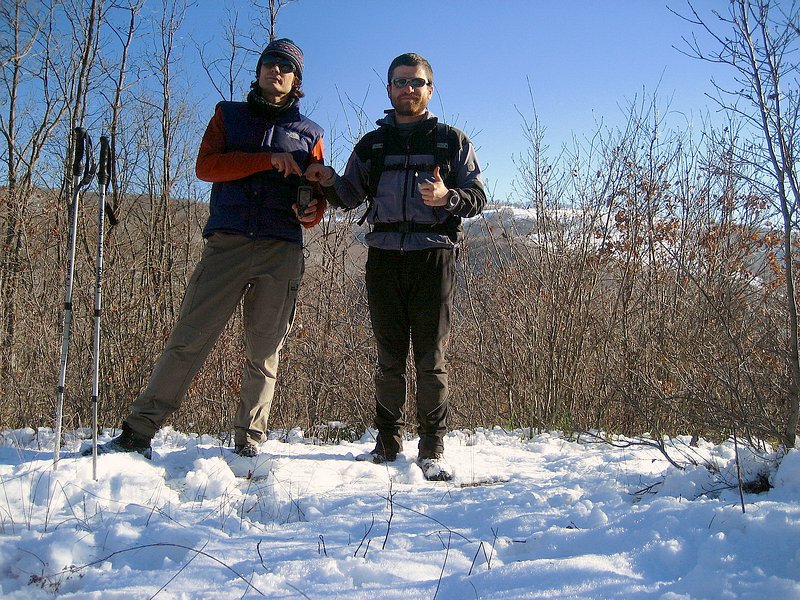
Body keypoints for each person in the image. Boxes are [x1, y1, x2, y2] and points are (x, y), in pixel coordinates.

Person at [89, 38, 326, 459]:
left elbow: (317, 197)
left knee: (265, 349)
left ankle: (249, 443)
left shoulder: (310, 133)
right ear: (258, 71)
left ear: (297, 80)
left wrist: (311, 210)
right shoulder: (228, 115)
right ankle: (138, 431)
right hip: (228, 243)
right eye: (270, 63)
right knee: (189, 339)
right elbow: (205, 167)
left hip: (282, 247)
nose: (277, 71)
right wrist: (266, 159)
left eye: (286, 67)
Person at [305, 52, 486, 481]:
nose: (409, 89)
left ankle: (432, 449)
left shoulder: (451, 142)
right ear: (389, 89)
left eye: (416, 82)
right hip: (383, 258)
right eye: (401, 82)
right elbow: (349, 197)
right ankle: (387, 444)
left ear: (430, 89)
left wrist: (449, 199)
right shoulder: (373, 145)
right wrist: (328, 181)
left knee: (430, 358)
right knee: (389, 357)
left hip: (433, 257)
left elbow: (478, 197)